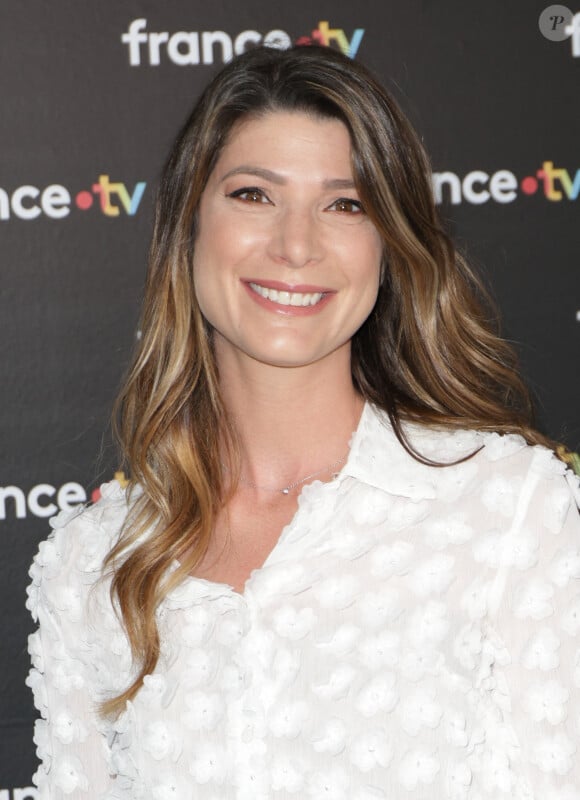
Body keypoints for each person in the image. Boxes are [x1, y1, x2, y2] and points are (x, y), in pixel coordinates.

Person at [27, 44, 580, 799]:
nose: (295, 245)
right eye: (254, 195)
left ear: (389, 248)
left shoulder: (508, 511)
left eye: (345, 204)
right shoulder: (91, 561)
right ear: (189, 224)